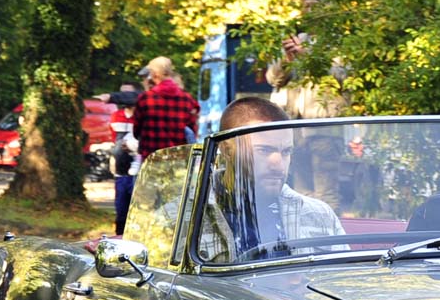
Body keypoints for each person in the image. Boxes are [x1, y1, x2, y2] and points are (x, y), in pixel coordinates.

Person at [198, 96, 347, 262]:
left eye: (286, 151)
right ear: (227, 150)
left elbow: (340, 280)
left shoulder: (318, 214)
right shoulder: (187, 219)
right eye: (263, 150)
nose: (278, 165)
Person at [134, 56, 200, 158]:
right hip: (178, 156)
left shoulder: (146, 98)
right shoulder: (187, 99)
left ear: (154, 73)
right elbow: (192, 129)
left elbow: (137, 129)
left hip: (152, 156)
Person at [109, 84, 142, 235]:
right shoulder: (116, 116)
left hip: (138, 170)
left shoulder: (142, 116)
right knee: (121, 210)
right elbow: (114, 141)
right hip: (121, 171)